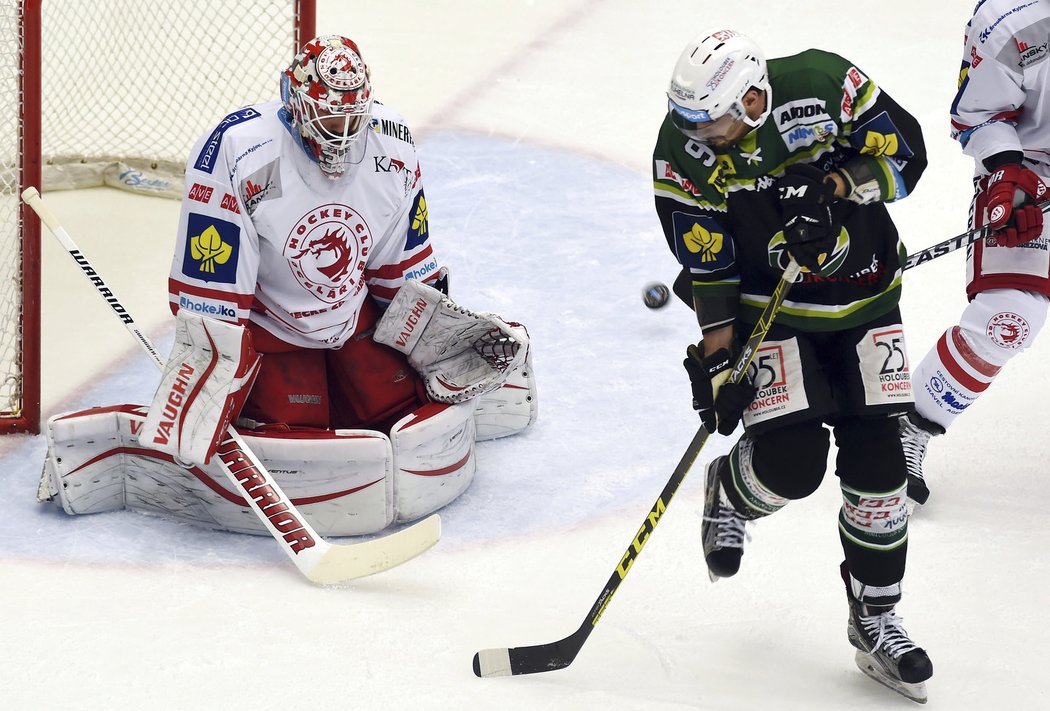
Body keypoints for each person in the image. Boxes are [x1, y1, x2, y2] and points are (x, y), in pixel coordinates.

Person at [37, 35, 537, 537]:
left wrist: (431, 337)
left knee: (393, 408)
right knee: (297, 436)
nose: (341, 136)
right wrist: (209, 369)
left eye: (351, 119)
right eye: (328, 119)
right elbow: (213, 289)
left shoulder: (392, 145)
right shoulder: (238, 150)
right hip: (271, 329)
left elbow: (398, 264)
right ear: (295, 102)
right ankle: (137, 443)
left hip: (349, 313)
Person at [653, 29, 933, 701]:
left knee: (881, 466)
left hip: (865, 296)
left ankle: (875, 615)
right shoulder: (683, 150)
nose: (699, 133)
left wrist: (835, 182)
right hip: (770, 309)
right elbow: (710, 267)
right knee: (791, 465)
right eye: (687, 118)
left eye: (710, 118)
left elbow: (909, 156)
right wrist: (719, 366)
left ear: (752, 98)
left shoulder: (824, 83)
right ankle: (732, 491)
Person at [899, 0, 1050, 506]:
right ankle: (912, 424)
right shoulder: (1013, 24)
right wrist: (1009, 170)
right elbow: (977, 114)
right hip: (1033, 171)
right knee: (1009, 317)